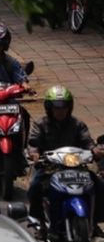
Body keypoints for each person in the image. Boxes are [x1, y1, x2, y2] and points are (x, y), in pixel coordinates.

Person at [26, 86, 104, 223]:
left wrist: (95, 151)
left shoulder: (78, 124)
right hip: (49, 167)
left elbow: (87, 142)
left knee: (98, 185)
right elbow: (33, 143)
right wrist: (35, 154)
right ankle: (37, 220)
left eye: (64, 107)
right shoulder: (40, 124)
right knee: (34, 187)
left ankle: (95, 221)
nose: (60, 111)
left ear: (70, 107)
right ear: (49, 108)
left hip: (76, 166)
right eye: (56, 107)